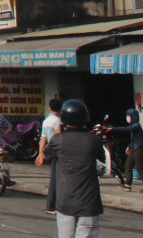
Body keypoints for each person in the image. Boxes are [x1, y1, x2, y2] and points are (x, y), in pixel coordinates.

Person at [44, 100, 103, 238]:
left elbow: (47, 155)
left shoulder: (58, 140)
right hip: (89, 201)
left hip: (65, 200)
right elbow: (102, 158)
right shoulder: (94, 140)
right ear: (85, 119)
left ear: (63, 119)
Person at [108, 108, 143, 192]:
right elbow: (134, 139)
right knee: (128, 165)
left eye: (129, 116)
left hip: (139, 148)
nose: (127, 118)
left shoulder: (136, 125)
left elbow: (125, 129)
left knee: (140, 168)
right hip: (134, 148)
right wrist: (129, 146)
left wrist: (113, 129)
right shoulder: (133, 126)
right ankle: (127, 184)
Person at [36, 98, 63, 213]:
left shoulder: (46, 121)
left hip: (50, 151)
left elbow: (43, 138)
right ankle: (52, 206)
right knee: (56, 179)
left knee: (55, 178)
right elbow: (59, 137)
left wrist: (41, 153)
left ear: (50, 108)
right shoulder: (58, 122)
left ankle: (54, 205)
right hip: (57, 152)